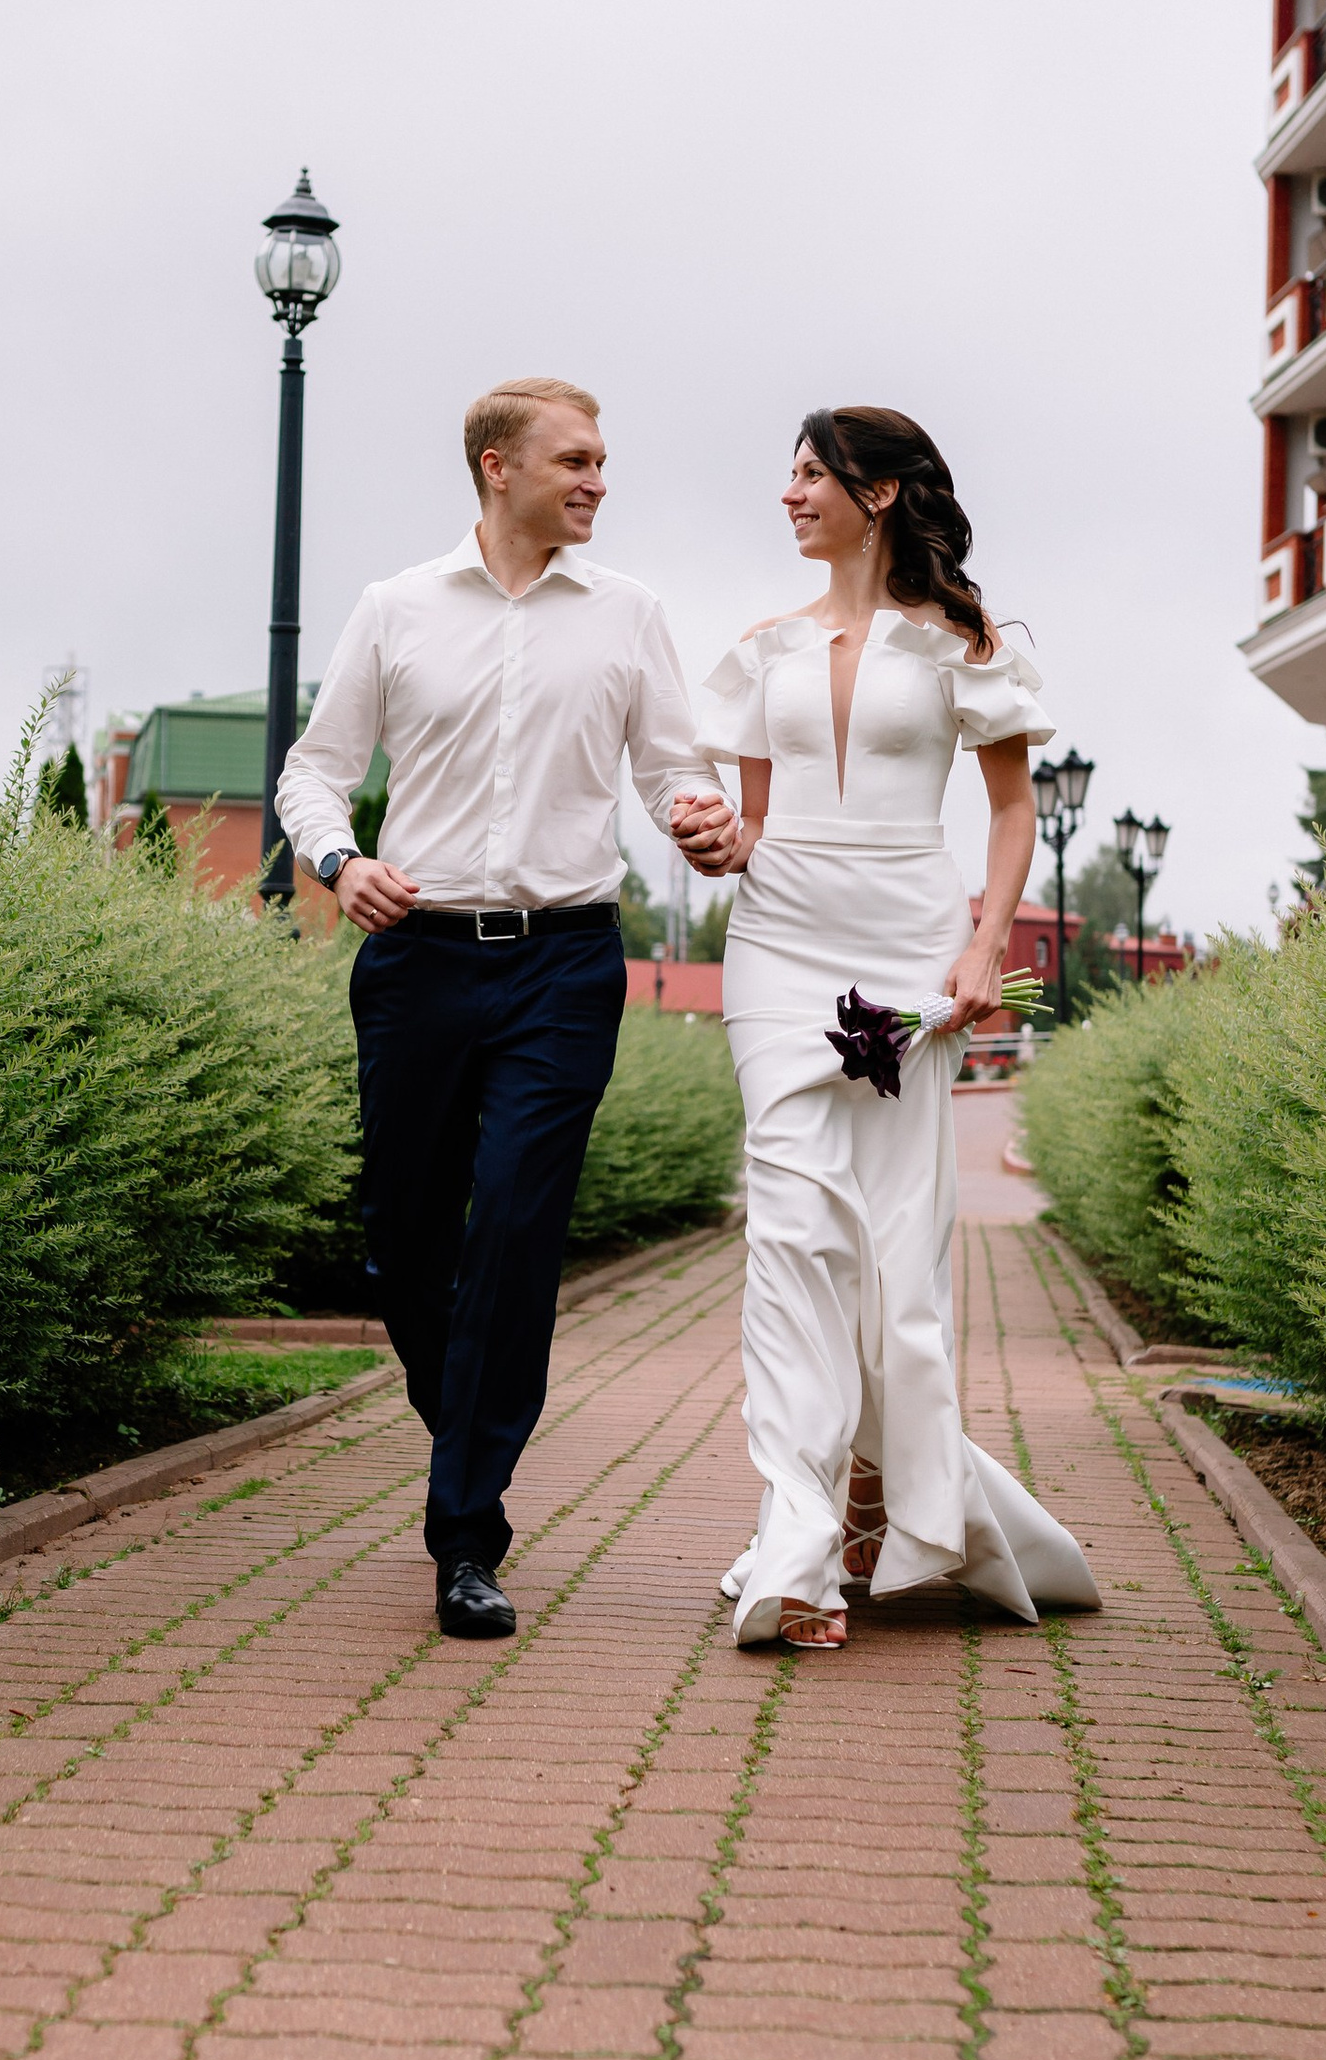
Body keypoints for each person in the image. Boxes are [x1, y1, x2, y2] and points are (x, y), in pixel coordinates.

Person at [276, 378, 706, 1638]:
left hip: (565, 963)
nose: (597, 481)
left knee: (515, 1226)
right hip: (417, 958)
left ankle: (466, 1528)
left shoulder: (630, 617)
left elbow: (673, 765)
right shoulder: (395, 611)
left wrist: (696, 813)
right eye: (574, 460)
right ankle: (466, 1411)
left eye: (603, 460)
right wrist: (339, 863)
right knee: (407, 1238)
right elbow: (316, 769)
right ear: (494, 466)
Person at [671, 406, 1099, 1650]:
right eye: (789, 473)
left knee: (896, 1250)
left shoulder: (962, 643)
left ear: (882, 491)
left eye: (813, 474)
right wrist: (712, 840)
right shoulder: (758, 651)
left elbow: (1011, 814)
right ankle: (798, 1540)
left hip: (913, 954)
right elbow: (747, 832)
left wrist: (984, 945)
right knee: (793, 1227)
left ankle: (889, 1505)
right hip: (779, 949)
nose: (791, 492)